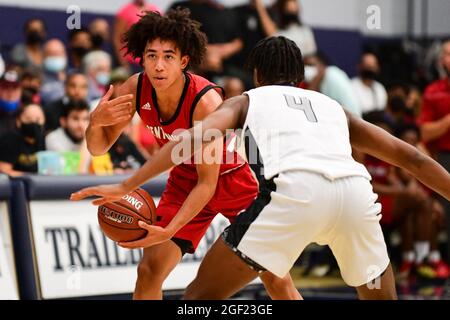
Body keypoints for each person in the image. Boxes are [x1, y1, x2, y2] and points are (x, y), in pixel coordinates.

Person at [72, 36, 450, 300]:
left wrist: (127, 184)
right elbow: (412, 158)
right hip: (354, 195)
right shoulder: (333, 107)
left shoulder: (243, 101)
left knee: (200, 298)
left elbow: (186, 143)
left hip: (288, 195)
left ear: (255, 75)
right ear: (301, 77)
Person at [71, 9, 299, 300]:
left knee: (276, 279)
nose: (159, 65)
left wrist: (170, 231)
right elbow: (97, 147)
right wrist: (95, 122)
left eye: (168, 56)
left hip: (233, 181)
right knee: (149, 271)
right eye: (152, 55)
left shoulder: (206, 102)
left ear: (184, 61)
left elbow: (208, 183)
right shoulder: (135, 87)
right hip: (185, 179)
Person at [417, 39, 450, 265]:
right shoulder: (433, 92)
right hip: (445, 159)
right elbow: (426, 132)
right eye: (447, 54)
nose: (449, 59)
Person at [0, 103, 45, 176]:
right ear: (18, 121)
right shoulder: (10, 140)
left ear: (44, 121)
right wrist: (33, 178)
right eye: (28, 119)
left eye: (38, 119)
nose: (33, 122)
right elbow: (4, 170)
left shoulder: (45, 140)